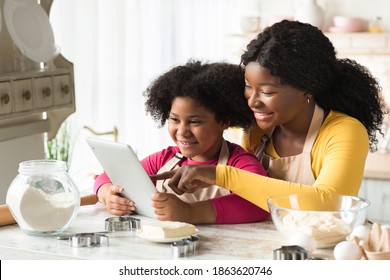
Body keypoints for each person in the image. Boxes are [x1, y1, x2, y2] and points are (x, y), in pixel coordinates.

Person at [150, 20, 388, 211]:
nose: (253, 101)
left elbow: (328, 202)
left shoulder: (344, 131)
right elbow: (250, 196)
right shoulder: (258, 129)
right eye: (248, 86)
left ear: (307, 89)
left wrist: (219, 175)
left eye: (267, 91)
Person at [94, 60, 269, 224]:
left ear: (224, 121)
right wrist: (108, 194)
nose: (182, 131)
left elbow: (262, 202)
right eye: (174, 120)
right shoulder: (164, 159)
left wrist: (189, 212)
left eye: (194, 122)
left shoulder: (240, 163)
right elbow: (108, 176)